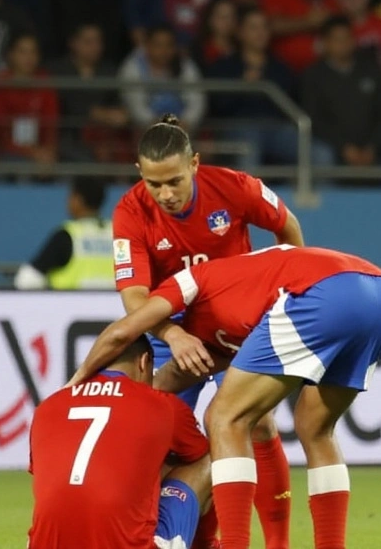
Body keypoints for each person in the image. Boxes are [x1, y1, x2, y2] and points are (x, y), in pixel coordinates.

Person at [70, 244, 381, 549]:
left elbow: (120, 332)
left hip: (323, 293)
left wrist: (76, 386)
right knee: (315, 429)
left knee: (224, 418)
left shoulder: (189, 282)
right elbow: (170, 379)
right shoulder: (231, 328)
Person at [111, 114, 305, 549]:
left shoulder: (236, 187)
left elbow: (287, 226)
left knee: (255, 424)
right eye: (154, 184)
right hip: (172, 330)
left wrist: (289, 283)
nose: (165, 195)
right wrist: (173, 336)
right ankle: (204, 540)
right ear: (139, 173)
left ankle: (278, 543)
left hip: (237, 323)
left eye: (175, 182)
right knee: (158, 441)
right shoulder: (129, 212)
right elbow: (134, 301)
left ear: (195, 164)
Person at [28, 335, 212, 549]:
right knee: (214, 458)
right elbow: (198, 456)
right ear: (144, 362)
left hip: (46, 544)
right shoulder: (163, 405)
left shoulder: (47, 407)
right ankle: (209, 545)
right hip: (125, 544)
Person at [15, 176, 114, 290]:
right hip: (116, 306)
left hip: (71, 305)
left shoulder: (68, 235)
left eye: (70, 196)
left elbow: (26, 279)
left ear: (78, 200)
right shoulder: (118, 233)